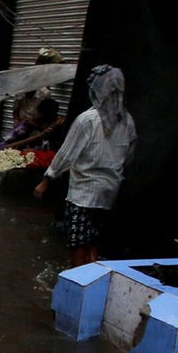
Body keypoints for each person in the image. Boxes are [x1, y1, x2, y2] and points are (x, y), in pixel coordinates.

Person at [34, 65, 136, 268]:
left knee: (77, 243)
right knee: (92, 241)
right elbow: (129, 156)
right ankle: (94, 280)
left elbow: (66, 154)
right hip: (108, 194)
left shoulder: (87, 120)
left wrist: (46, 181)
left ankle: (78, 285)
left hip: (83, 195)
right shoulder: (127, 121)